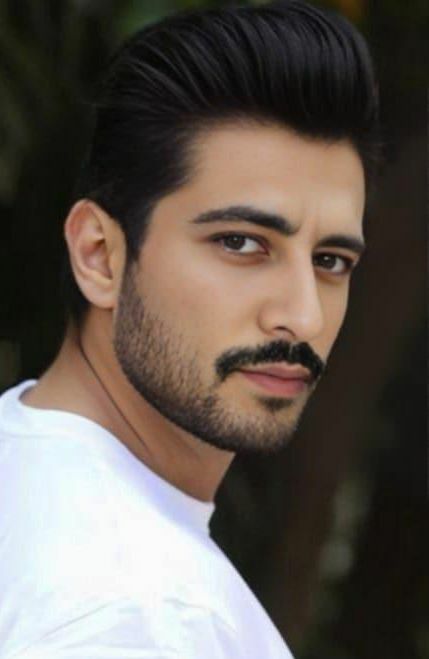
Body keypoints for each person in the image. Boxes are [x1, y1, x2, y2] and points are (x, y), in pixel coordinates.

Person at [0, 1, 381, 657]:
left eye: (330, 261)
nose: (303, 316)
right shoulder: (143, 614)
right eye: (241, 243)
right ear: (100, 255)